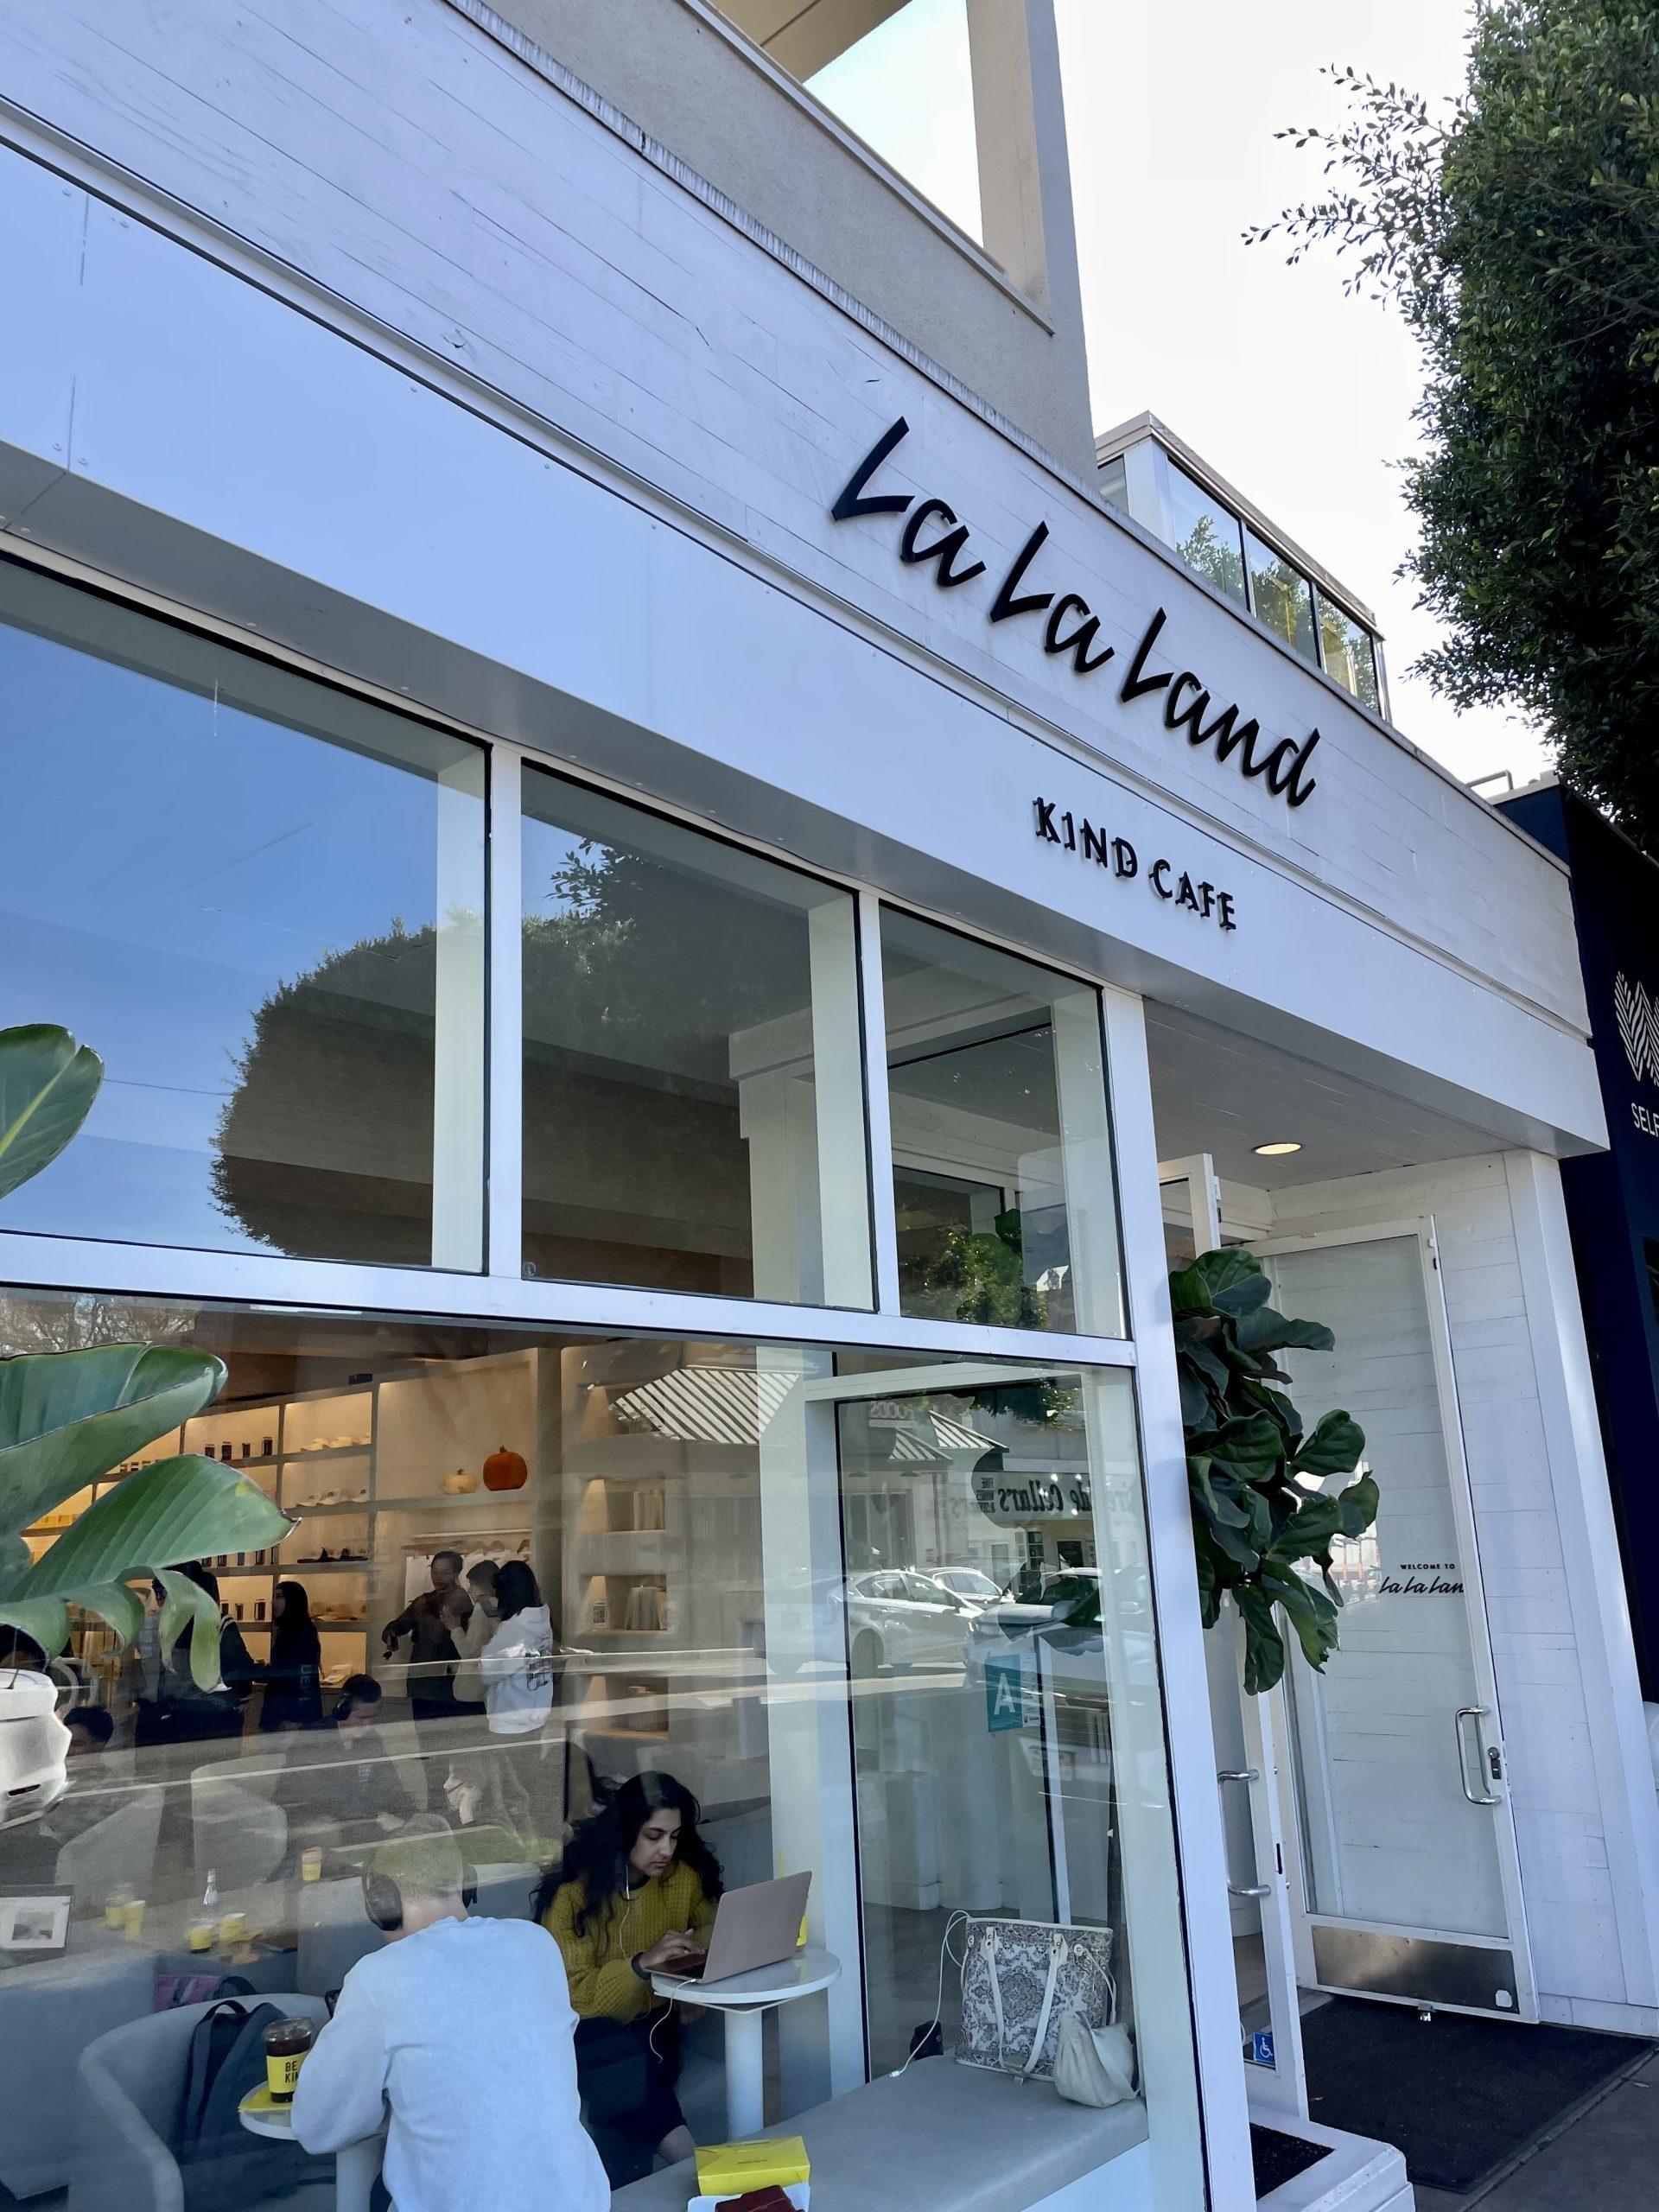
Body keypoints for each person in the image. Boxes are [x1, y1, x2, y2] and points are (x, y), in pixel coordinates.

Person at [292, 1825, 608, 2212]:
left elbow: (318, 2127)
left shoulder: (379, 1977)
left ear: (381, 1902)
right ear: (466, 1884)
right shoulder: (537, 1943)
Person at [535, 1773, 723, 2184]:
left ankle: (655, 2182)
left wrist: (692, 1973)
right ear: (625, 1831)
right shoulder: (573, 1895)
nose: (666, 1850)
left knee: (630, 2072)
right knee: (615, 2057)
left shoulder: (681, 1879)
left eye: (674, 1837)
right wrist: (641, 1965)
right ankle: (699, 2169)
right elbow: (574, 1998)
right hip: (586, 2037)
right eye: (654, 1836)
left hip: (655, 2029)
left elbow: (715, 1928)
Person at [136, 1562, 255, 1746]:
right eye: (157, 1590)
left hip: (166, 1716)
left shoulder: (152, 1626)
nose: (159, 1598)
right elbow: (240, 1671)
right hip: (201, 1717)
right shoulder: (213, 1623)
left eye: (161, 1591)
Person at [283, 1675, 412, 1843]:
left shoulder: (371, 1740)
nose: (368, 1725)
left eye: (373, 1717)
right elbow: (325, 1800)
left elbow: (391, 1786)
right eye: (361, 1718)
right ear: (342, 1711)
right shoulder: (312, 1742)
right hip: (318, 1827)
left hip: (361, 1824)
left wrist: (409, 1818)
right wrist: (375, 1818)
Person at [382, 1550, 469, 1723]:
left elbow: (438, 1634)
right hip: (420, 1677)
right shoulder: (425, 1600)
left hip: (446, 1678)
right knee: (422, 1728)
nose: (438, 1577)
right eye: (435, 1572)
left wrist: (422, 1610)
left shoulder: (461, 1599)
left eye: (445, 1573)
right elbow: (401, 1623)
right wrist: (391, 1633)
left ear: (456, 1573)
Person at [257, 1580, 323, 1732]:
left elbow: (305, 1675)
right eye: (274, 1597)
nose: (274, 1602)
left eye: (280, 1597)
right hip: (281, 1711)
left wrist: (296, 1717)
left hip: (291, 1717)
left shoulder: (303, 1632)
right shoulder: (286, 1630)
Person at [448, 1559, 499, 1710]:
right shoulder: (501, 1607)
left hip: (473, 1691)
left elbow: (471, 1654)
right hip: (491, 1689)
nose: (469, 1590)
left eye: (472, 1584)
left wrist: (455, 1628)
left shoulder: (482, 1610)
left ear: (483, 1585)